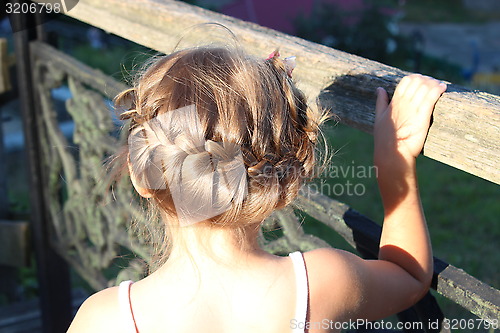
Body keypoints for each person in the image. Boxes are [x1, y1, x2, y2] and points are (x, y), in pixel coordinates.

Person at [67, 46, 446, 333]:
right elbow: (410, 278)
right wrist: (394, 165)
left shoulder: (104, 319)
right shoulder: (320, 283)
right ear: (283, 175)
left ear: (140, 174)